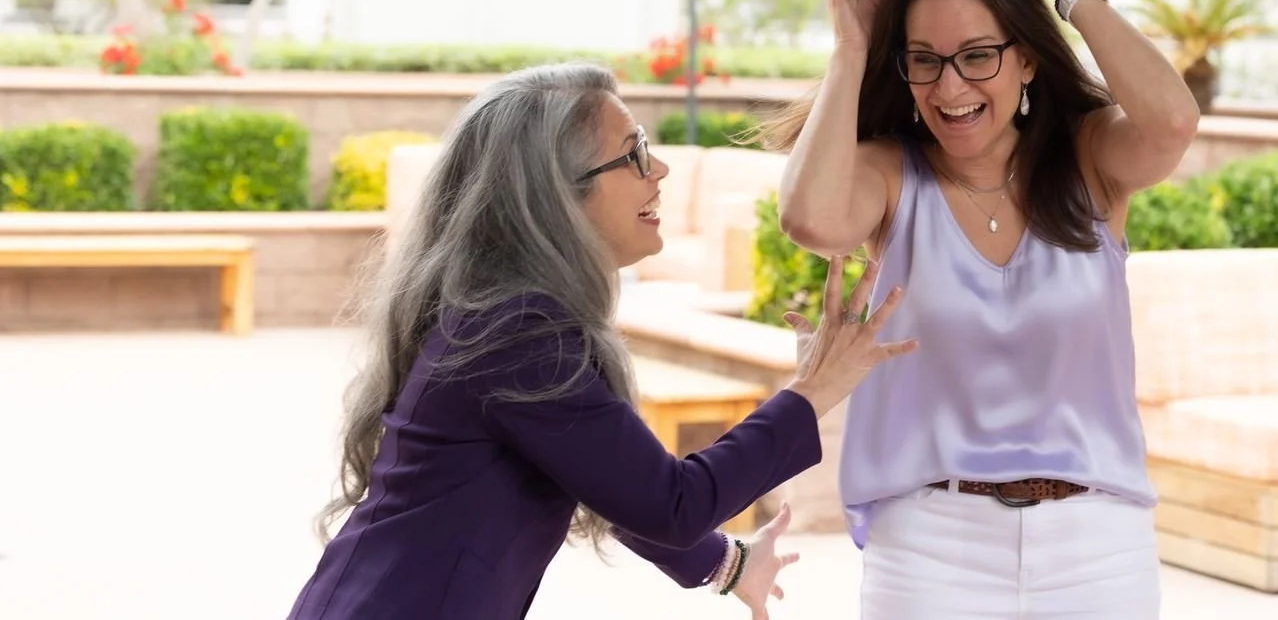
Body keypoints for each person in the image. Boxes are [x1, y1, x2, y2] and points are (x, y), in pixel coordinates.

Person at [285, 62, 916, 620]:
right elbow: (669, 502)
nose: (660, 168)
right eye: (635, 152)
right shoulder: (517, 334)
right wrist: (812, 393)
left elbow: (608, 477)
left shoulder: (503, 316)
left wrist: (727, 564)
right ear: (556, 196)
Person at [759, 0, 1200, 619]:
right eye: (923, 59)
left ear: (1028, 59)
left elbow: (1172, 125)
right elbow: (809, 218)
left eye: (977, 56)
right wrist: (851, 49)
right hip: (931, 547)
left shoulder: (1090, 159)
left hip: (1098, 547)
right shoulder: (891, 176)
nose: (950, 85)